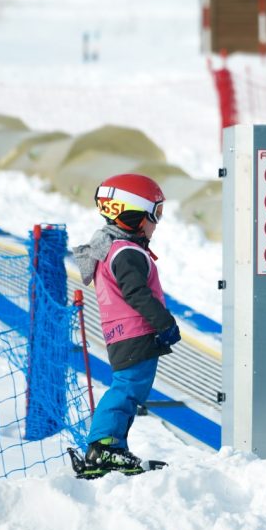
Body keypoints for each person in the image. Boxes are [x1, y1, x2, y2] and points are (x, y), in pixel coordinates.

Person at [73, 173, 181, 473]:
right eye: (154, 215)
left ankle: (114, 446)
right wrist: (164, 323)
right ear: (131, 214)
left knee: (129, 390)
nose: (156, 224)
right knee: (126, 390)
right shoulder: (126, 253)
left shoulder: (113, 248)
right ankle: (103, 446)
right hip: (135, 332)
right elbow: (135, 292)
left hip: (123, 333)